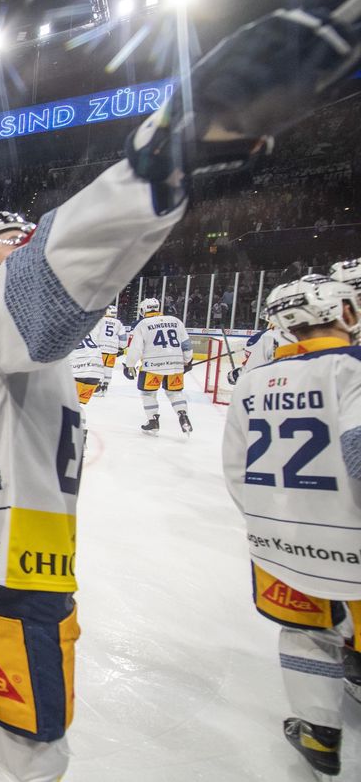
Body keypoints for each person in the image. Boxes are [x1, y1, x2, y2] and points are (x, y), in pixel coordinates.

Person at [0, 6, 361, 780]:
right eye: (8, 239)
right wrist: (168, 149)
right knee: (32, 749)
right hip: (9, 565)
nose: (26, 239)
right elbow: (53, 277)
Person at [222, 274, 361, 779]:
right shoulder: (352, 367)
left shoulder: (253, 381)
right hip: (351, 537)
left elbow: (235, 465)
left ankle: (319, 733)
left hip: (278, 540)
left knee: (306, 631)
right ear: (343, 311)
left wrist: (267, 522)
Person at [122, 297, 193, 435]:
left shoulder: (142, 324)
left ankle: (153, 421)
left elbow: (136, 348)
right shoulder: (175, 321)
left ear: (143, 310)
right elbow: (186, 344)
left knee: (148, 393)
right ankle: (183, 415)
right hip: (175, 364)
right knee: (175, 393)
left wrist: (129, 365)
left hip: (152, 366)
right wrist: (187, 360)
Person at [92, 304, 127, 395]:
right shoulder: (119, 323)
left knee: (98, 367)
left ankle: (97, 387)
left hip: (101, 348)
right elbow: (123, 340)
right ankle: (105, 386)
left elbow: (94, 334)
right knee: (108, 368)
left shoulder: (100, 320)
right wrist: (121, 347)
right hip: (112, 350)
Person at [68, 327, 105, 405]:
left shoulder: (63, 333)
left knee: (64, 405)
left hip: (78, 371)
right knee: (77, 405)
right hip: (96, 372)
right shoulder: (88, 329)